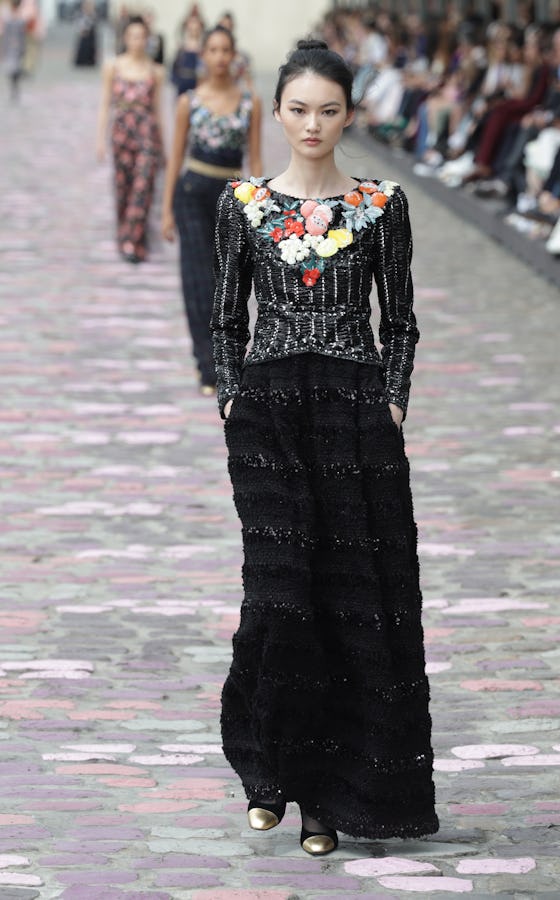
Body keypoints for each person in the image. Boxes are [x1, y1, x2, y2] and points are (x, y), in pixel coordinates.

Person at [210, 38, 438, 856]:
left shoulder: (382, 204)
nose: (313, 123)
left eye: (328, 109)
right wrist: (232, 393)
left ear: (350, 113)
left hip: (354, 412)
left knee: (352, 599)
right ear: (277, 112)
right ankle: (266, 765)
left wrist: (394, 401)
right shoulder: (242, 203)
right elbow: (226, 317)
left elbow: (402, 319)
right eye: (299, 109)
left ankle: (323, 799)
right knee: (279, 592)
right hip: (269, 411)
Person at [161, 25, 261, 394]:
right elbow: (175, 158)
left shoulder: (250, 102)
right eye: (213, 50)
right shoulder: (189, 101)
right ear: (203, 55)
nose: (219, 57)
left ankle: (229, 359)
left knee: (230, 279)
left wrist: (259, 206)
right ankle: (206, 366)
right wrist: (166, 210)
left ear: (233, 55)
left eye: (225, 50)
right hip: (191, 191)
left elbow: (256, 160)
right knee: (197, 279)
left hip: (232, 194)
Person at [97, 15, 165, 263]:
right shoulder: (113, 66)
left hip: (147, 132)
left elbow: (158, 110)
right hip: (121, 133)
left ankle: (133, 240)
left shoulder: (155, 70)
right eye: (133, 36)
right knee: (123, 186)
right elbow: (105, 104)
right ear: (125, 38)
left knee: (143, 186)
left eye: (142, 36)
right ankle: (125, 232)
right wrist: (100, 139)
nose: (137, 41)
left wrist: (164, 148)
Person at [170, 13, 203, 96]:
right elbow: (174, 67)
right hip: (182, 84)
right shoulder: (182, 47)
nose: (194, 28)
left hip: (198, 83)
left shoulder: (203, 48)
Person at [2, 0, 26, 102]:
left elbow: (22, 36)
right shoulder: (9, 19)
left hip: (16, 48)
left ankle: (15, 88)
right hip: (11, 48)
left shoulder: (20, 19)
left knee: (16, 70)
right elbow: (6, 35)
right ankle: (14, 88)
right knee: (12, 69)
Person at [73, 0, 97, 68]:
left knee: (90, 48)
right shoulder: (80, 14)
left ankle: (90, 61)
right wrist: (81, 29)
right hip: (83, 33)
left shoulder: (93, 14)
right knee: (83, 48)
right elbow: (78, 23)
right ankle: (82, 61)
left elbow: (93, 23)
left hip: (90, 34)